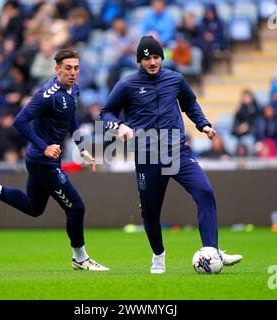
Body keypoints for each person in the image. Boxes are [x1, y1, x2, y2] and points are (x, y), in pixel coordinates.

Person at [0, 49, 109, 272]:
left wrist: (81, 148)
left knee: (34, 207)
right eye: (68, 68)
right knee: (76, 208)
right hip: (42, 160)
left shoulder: (74, 90)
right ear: (57, 69)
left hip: (42, 159)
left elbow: (70, 116)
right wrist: (44, 147)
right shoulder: (48, 94)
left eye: (76, 68)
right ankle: (80, 259)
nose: (73, 72)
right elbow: (20, 120)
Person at [100, 35, 242, 274]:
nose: (153, 62)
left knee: (205, 192)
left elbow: (190, 104)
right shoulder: (127, 85)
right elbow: (106, 113)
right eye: (147, 58)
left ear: (162, 58)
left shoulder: (175, 79)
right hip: (147, 155)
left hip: (177, 151)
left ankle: (211, 251)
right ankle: (158, 255)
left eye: (156, 57)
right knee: (151, 212)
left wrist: (203, 125)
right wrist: (119, 126)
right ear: (139, 61)